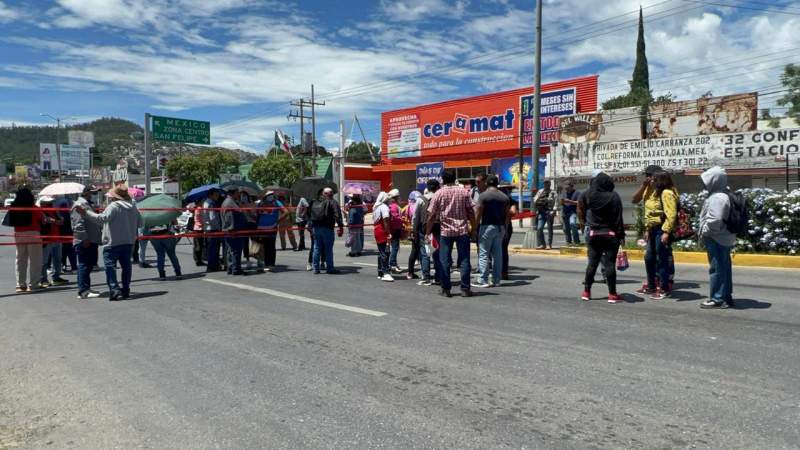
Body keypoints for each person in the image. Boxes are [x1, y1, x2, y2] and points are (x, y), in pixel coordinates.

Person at [78, 186, 141, 301]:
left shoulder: (113, 206)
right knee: (126, 267)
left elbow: (102, 219)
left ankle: (114, 289)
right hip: (128, 241)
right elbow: (141, 223)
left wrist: (86, 213)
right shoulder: (133, 207)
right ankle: (126, 289)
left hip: (112, 242)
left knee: (110, 267)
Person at [426, 170, 475, 298]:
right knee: (464, 260)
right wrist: (474, 229)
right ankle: (465, 289)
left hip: (445, 232)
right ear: (455, 179)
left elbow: (431, 216)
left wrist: (427, 232)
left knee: (444, 261)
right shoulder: (464, 192)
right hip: (462, 231)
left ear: (442, 180)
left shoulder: (439, 193)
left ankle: (446, 289)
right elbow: (471, 212)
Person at [578, 172, 626, 303]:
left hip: (594, 234)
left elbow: (580, 208)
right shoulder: (614, 196)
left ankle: (586, 292)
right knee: (610, 264)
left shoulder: (588, 194)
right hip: (610, 235)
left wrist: (583, 224)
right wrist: (621, 235)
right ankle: (612, 294)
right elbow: (618, 218)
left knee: (592, 264)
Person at [632, 165, 675, 295]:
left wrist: (667, 231)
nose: (648, 178)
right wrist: (644, 186)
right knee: (649, 257)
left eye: (649, 176)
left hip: (662, 227)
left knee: (663, 257)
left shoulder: (665, 191)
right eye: (647, 176)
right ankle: (652, 284)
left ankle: (665, 285)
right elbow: (635, 200)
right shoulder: (648, 189)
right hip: (651, 228)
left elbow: (671, 213)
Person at [698, 166, 736, 309]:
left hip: (716, 238)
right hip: (723, 237)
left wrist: (705, 232)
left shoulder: (717, 197)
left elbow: (715, 220)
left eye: (707, 180)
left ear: (714, 180)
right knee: (724, 268)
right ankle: (726, 297)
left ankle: (717, 298)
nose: (704, 184)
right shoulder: (723, 194)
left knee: (717, 269)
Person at [472, 175, 510, 288]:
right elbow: (507, 215)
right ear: (497, 184)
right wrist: (505, 229)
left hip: (487, 227)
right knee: (497, 255)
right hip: (500, 227)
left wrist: (474, 228)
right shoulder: (504, 197)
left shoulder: (484, 196)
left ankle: (483, 279)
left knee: (484, 254)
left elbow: (478, 212)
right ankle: (496, 279)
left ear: (487, 184)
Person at [8, 187, 43, 293]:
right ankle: (33, 284)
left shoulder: (13, 207)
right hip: (33, 233)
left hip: (18, 234)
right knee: (35, 260)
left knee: (20, 259)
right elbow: (41, 219)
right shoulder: (34, 207)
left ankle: (20, 284)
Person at [71, 184, 102, 299]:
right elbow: (78, 224)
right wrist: (84, 238)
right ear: (86, 193)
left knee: (89, 265)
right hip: (85, 240)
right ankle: (83, 291)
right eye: (93, 193)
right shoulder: (80, 205)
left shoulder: (88, 204)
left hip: (92, 239)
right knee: (84, 265)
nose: (94, 195)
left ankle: (86, 288)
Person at [310, 187, 344, 274]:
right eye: (332, 193)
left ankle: (315, 268)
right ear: (331, 194)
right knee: (328, 249)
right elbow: (337, 215)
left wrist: (311, 226)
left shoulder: (315, 202)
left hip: (316, 228)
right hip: (327, 228)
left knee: (316, 248)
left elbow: (308, 213)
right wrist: (340, 227)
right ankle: (330, 268)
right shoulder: (333, 202)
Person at [255, 191, 287, 272]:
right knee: (263, 247)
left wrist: (277, 221)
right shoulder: (260, 203)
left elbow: (286, 212)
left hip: (271, 227)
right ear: (265, 196)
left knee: (270, 246)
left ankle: (270, 264)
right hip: (261, 228)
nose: (271, 196)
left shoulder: (277, 202)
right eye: (269, 195)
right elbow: (257, 214)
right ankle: (265, 264)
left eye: (272, 195)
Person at [39, 196, 67, 287]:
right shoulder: (40, 211)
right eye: (48, 202)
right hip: (47, 239)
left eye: (50, 202)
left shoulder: (54, 210)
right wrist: (55, 221)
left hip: (57, 238)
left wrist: (56, 220)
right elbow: (46, 221)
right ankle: (43, 279)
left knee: (58, 259)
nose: (50, 204)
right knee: (44, 261)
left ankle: (56, 277)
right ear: (42, 203)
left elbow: (61, 221)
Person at [221, 187, 247, 275]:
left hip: (230, 229)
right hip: (233, 230)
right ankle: (236, 269)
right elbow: (230, 217)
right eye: (237, 192)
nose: (239, 194)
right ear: (234, 192)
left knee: (230, 250)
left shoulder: (229, 201)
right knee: (236, 250)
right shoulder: (229, 203)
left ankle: (231, 267)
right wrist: (232, 228)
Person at [410, 188, 433, 285]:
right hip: (437, 228)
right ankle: (439, 276)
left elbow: (415, 217)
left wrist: (414, 229)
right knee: (437, 252)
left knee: (425, 253)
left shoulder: (421, 200)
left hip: (423, 229)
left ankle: (426, 276)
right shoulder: (439, 196)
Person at [372, 192, 393, 282]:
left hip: (377, 230)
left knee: (381, 251)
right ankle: (386, 273)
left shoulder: (376, 207)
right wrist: (388, 232)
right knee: (385, 251)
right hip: (382, 230)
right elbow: (385, 220)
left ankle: (380, 272)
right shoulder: (384, 207)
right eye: (388, 199)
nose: (389, 200)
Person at [499, 185, 517, 281]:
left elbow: (513, 212)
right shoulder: (496, 200)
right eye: (504, 189)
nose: (507, 191)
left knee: (503, 250)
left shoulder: (511, 201)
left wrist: (505, 209)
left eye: (509, 190)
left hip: (506, 227)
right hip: (496, 226)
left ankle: (504, 272)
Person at [54, 195, 77, 273]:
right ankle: (73, 267)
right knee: (71, 250)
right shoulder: (69, 209)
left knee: (63, 251)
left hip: (62, 232)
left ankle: (63, 266)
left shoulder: (58, 209)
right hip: (69, 232)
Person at [202, 189, 223, 272]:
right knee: (213, 249)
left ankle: (213, 265)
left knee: (211, 248)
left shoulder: (205, 202)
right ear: (211, 195)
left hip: (208, 228)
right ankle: (212, 266)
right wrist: (219, 227)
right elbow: (213, 218)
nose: (217, 196)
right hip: (213, 229)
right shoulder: (211, 203)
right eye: (216, 195)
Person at [533, 180, 557, 249]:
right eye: (545, 183)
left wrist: (554, 211)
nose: (546, 185)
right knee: (539, 228)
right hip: (541, 212)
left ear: (550, 184)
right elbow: (535, 200)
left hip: (549, 212)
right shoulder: (540, 191)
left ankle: (549, 244)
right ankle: (543, 244)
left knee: (550, 229)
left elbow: (556, 202)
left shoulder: (553, 192)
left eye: (547, 183)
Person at [404, 191, 421, 278]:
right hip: (418, 230)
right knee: (424, 252)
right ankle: (426, 274)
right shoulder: (417, 206)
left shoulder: (408, 207)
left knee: (414, 251)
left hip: (411, 230)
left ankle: (410, 272)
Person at [387, 189, 404, 273]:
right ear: (396, 198)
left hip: (394, 229)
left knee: (395, 247)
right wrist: (402, 220)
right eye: (398, 197)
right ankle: (392, 264)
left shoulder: (393, 205)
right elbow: (395, 219)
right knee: (395, 248)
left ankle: (394, 264)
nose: (400, 198)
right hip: (395, 229)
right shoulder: (394, 206)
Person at [560, 180, 581, 245]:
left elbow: (579, 202)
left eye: (567, 186)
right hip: (565, 212)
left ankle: (576, 241)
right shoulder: (564, 193)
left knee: (572, 224)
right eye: (565, 187)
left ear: (571, 186)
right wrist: (562, 202)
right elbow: (561, 202)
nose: (566, 188)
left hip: (573, 212)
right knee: (566, 228)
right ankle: (568, 242)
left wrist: (570, 201)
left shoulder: (577, 193)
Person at [191, 202, 206, 266]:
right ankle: (198, 260)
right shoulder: (199, 209)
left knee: (197, 245)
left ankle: (197, 259)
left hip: (196, 228)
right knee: (199, 245)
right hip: (199, 229)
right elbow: (203, 219)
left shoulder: (195, 209)